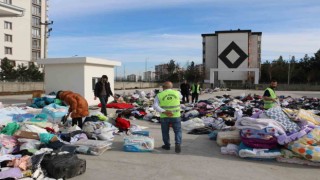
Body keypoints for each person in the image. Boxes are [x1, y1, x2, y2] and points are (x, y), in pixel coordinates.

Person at [153, 81, 182, 153]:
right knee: (177, 131)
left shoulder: (159, 95)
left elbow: (155, 106)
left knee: (165, 131)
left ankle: (167, 145)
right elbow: (181, 97)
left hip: (164, 116)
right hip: (176, 116)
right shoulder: (177, 93)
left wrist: (164, 111)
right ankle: (178, 144)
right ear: (171, 87)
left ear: (164, 87)